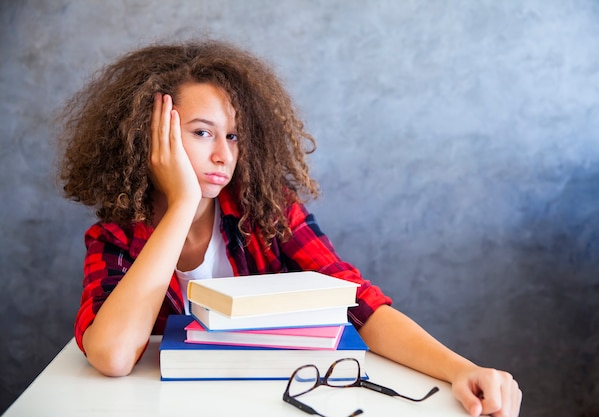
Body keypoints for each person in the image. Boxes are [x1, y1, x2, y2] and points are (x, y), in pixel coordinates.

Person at [57, 39, 521, 417]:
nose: (224, 155)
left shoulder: (268, 211)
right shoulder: (115, 239)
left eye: (233, 136)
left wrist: (461, 370)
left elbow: (357, 302)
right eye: (202, 132)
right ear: (148, 137)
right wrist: (182, 205)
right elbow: (112, 357)